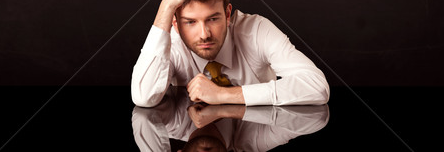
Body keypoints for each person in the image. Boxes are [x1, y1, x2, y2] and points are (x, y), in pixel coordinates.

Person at [131, 0, 330, 107]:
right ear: (175, 22)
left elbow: (317, 87)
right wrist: (166, 6)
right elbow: (143, 97)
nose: (204, 34)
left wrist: (223, 95)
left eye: (213, 19)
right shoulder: (171, 42)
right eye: (190, 22)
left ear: (227, 14)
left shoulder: (256, 30)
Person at [131, 86, 330, 151]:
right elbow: (317, 121)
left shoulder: (167, 125)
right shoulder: (256, 140)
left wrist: (223, 95)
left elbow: (317, 90)